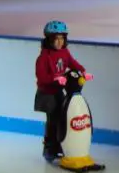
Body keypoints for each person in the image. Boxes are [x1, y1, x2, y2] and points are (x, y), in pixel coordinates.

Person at [33, 20, 89, 162]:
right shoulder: (44, 57)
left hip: (59, 92)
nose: (59, 42)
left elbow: (72, 63)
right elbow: (42, 77)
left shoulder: (64, 52)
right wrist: (56, 78)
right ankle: (49, 148)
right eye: (56, 39)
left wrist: (83, 71)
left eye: (62, 38)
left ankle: (60, 144)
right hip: (47, 94)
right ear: (49, 40)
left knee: (63, 118)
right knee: (52, 120)